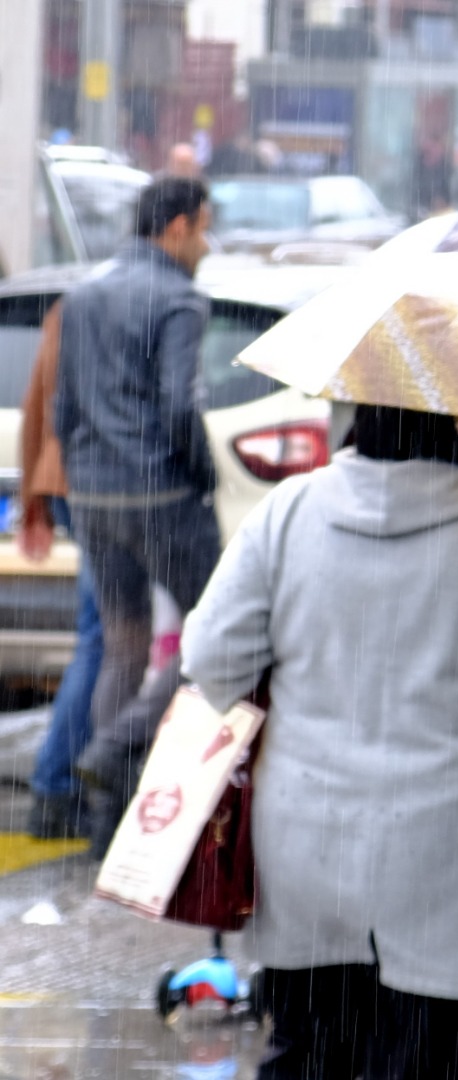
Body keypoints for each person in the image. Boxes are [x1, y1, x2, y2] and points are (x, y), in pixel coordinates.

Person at [180, 405, 458, 1079]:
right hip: (446, 870)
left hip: (306, 856)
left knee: (305, 1057)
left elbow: (212, 662)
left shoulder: (291, 512)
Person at [54, 176, 218, 855]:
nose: (208, 246)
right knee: (216, 636)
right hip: (160, 493)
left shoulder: (86, 295)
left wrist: (81, 480)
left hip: (93, 493)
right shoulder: (179, 301)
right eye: (205, 229)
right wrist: (201, 476)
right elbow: (179, 406)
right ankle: (120, 748)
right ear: (177, 226)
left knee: (123, 643)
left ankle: (103, 818)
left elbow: (65, 406)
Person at [18, 302, 103, 839]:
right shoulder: (149, 302)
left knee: (106, 636)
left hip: (69, 479)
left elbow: (35, 406)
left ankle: (65, 784)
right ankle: (58, 786)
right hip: (108, 484)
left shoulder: (74, 307)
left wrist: (34, 498)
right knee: (109, 638)